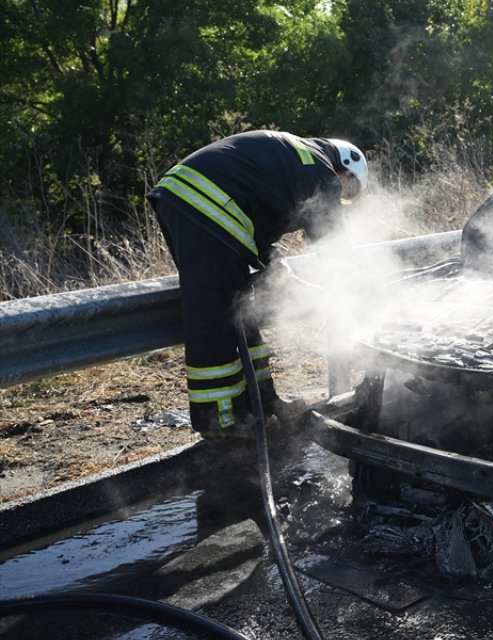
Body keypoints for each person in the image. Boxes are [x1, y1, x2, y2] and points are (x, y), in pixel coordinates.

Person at [147, 131, 368, 438]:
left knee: (238, 307)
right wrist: (356, 294)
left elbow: (256, 209)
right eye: (347, 188)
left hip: (189, 197)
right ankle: (220, 420)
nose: (341, 195)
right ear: (344, 169)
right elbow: (333, 247)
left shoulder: (297, 156)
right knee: (214, 313)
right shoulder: (322, 171)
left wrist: (271, 261)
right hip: (206, 202)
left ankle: (262, 402)